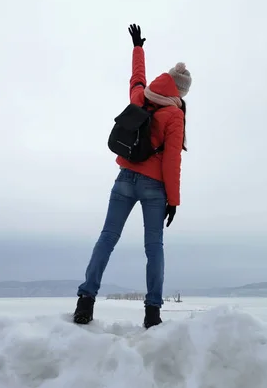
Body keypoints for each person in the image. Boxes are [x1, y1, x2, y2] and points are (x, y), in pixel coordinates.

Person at [73, 24, 191, 328]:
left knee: (107, 238)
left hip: (125, 179)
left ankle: (86, 301)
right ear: (180, 92)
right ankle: (152, 314)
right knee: (154, 248)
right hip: (154, 187)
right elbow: (171, 161)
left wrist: (138, 48)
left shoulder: (141, 96)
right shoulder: (174, 115)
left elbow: (137, 78)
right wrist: (173, 201)